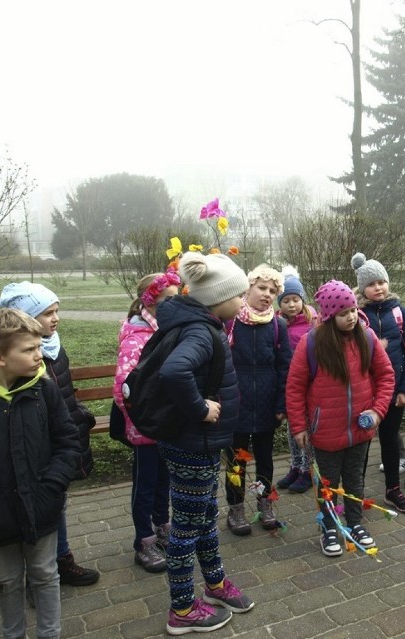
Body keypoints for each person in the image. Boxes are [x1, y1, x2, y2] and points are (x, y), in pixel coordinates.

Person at [156, 251, 254, 635]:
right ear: (217, 297)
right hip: (191, 443)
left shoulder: (200, 323)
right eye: (239, 295)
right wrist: (200, 409)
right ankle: (181, 609)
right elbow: (174, 371)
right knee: (186, 527)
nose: (243, 302)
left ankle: (214, 584)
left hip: (198, 444)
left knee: (202, 519)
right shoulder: (200, 331)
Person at [0, 282, 100, 588]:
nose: (54, 319)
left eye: (56, 311)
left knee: (55, 505)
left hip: (56, 445)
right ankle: (28, 575)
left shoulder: (52, 348)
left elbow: (63, 395)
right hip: (28, 448)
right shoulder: (25, 356)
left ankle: (61, 560)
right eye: (46, 314)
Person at [287, 280, 395, 557]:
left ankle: (356, 523)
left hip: (360, 429)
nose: (351, 317)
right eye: (343, 312)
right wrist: (299, 425)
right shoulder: (311, 344)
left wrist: (377, 411)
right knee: (327, 484)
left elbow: (385, 376)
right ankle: (330, 527)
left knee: (355, 480)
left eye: (353, 310)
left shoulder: (367, 337)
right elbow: (296, 387)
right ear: (329, 315)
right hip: (325, 432)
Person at [0, 308, 80, 639]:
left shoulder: (43, 390)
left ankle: (50, 634)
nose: (39, 355)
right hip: (1, 515)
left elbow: (68, 441)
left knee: (45, 575)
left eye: (39, 346)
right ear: (2, 357)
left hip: (43, 504)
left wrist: (52, 486)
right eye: (29, 349)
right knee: (7, 581)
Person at [113, 270, 181, 573]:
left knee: (163, 479)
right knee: (145, 483)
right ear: (150, 303)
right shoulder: (137, 336)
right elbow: (123, 387)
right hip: (144, 425)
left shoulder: (165, 330)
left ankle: (162, 525)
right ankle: (144, 539)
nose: (174, 306)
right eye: (168, 301)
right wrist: (141, 419)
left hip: (165, 423)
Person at [223, 264, 292, 536]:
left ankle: (265, 503)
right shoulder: (230, 322)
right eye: (261, 288)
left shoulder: (278, 325)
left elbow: (284, 366)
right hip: (235, 403)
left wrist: (280, 404)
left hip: (265, 404)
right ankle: (236, 506)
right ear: (248, 288)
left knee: (265, 460)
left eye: (273, 291)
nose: (267, 294)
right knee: (236, 460)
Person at [353, 252, 405, 514]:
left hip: (393, 391)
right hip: (363, 392)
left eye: (381, 281)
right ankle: (354, 494)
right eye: (371, 284)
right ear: (362, 288)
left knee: (390, 439)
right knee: (362, 442)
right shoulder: (355, 314)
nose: (378, 288)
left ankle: (393, 490)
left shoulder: (399, 312)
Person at [275, 269, 320, 493]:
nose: (291, 305)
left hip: (308, 383)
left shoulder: (312, 321)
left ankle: (307, 469)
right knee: (292, 426)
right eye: (286, 300)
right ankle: (295, 465)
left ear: (302, 300)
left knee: (305, 428)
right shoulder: (276, 322)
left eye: (295, 300)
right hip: (288, 383)